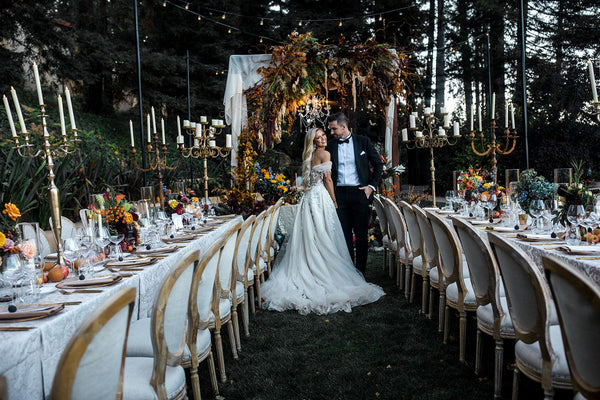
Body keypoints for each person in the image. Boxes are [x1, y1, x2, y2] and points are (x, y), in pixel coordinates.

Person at [261, 127, 385, 315]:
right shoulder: (325, 154)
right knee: (323, 234)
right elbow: (328, 180)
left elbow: (307, 182)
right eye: (319, 138)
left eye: (323, 135)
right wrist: (334, 200)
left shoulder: (309, 157)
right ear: (313, 141)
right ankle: (322, 272)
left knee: (310, 236)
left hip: (308, 199)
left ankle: (309, 269)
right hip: (320, 198)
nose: (323, 139)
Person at [327, 112, 383, 275]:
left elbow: (378, 164)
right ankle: (349, 273)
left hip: (360, 193)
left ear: (344, 126)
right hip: (339, 196)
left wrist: (371, 186)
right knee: (344, 237)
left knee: (361, 236)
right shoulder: (330, 145)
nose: (331, 133)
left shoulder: (363, 142)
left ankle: (361, 273)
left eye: (334, 129)